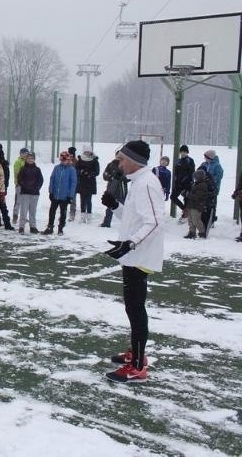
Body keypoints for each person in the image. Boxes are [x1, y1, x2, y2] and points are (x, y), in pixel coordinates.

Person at [101, 140, 165, 383]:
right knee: (133, 307)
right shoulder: (138, 183)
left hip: (140, 256)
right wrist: (115, 205)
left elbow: (155, 222)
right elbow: (134, 217)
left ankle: (138, 367)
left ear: (134, 161)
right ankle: (136, 354)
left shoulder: (147, 183)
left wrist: (131, 243)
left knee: (135, 308)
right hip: (135, 254)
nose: (118, 163)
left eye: (121, 159)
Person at [42, 152, 77, 235]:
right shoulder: (56, 168)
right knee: (52, 211)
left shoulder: (71, 170)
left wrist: (70, 196)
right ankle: (50, 227)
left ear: (69, 160)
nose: (64, 162)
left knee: (63, 212)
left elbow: (73, 183)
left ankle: (60, 228)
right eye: (62, 160)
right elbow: (52, 179)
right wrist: (51, 191)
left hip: (65, 196)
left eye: (66, 160)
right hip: (55, 195)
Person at [16, 152, 43, 234]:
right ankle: (21, 226)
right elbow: (19, 179)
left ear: (34, 159)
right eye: (29, 158)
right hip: (25, 193)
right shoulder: (23, 169)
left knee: (33, 211)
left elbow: (40, 180)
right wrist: (25, 186)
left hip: (34, 194)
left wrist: (36, 187)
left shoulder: (37, 170)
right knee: (23, 211)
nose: (30, 160)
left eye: (32, 158)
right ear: (26, 159)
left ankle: (33, 226)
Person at [100, 152, 127, 228]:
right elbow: (105, 175)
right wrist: (111, 177)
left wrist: (121, 177)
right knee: (109, 207)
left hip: (121, 190)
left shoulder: (125, 165)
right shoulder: (111, 164)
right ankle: (106, 223)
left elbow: (128, 178)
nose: (119, 158)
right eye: (118, 156)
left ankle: (126, 224)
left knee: (123, 208)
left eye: (121, 156)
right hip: (111, 189)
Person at [198, 150, 223, 231]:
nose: (205, 158)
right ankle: (204, 218)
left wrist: (209, 181)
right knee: (204, 204)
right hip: (203, 188)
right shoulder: (203, 164)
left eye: (206, 157)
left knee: (212, 205)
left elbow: (218, 177)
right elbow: (198, 172)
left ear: (210, 157)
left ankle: (211, 220)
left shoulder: (217, 166)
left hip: (213, 188)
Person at [74, 148, 100, 223]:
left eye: (88, 151)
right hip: (82, 182)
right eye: (86, 151)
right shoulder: (80, 159)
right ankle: (82, 216)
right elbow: (76, 169)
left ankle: (89, 216)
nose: (87, 153)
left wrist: (90, 173)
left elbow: (97, 171)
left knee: (88, 199)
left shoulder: (94, 160)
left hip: (90, 182)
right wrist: (81, 172)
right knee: (82, 199)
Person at [0, 143, 14, 230]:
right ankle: (2, 223)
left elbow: (6, 176)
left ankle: (2, 223)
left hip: (0, 187)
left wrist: (5, 187)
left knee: (1, 205)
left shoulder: (2, 163)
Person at [171, 145, 195, 220]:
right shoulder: (179, 161)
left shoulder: (190, 160)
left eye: (185, 152)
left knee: (186, 199)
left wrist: (185, 180)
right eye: (182, 152)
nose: (183, 153)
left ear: (187, 152)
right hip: (178, 183)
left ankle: (185, 215)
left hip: (187, 183)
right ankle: (185, 210)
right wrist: (176, 180)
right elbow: (176, 172)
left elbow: (192, 172)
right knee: (173, 197)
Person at [183, 169, 208, 239]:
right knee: (190, 220)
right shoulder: (196, 184)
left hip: (197, 206)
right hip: (191, 205)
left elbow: (198, 197)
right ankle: (192, 232)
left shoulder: (202, 185)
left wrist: (188, 195)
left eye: (196, 177)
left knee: (196, 220)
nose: (194, 179)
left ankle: (202, 232)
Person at [11, 147, 29, 224]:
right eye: (23, 153)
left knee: (26, 201)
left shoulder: (28, 161)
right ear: (20, 154)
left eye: (26, 153)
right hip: (19, 184)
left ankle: (24, 216)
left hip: (28, 185)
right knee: (18, 201)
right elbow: (17, 173)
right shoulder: (18, 162)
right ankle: (15, 216)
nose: (25, 155)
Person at [67, 146, 78, 221]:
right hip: (65, 182)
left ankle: (72, 214)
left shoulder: (76, 162)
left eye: (72, 154)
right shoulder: (66, 160)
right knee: (63, 199)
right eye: (69, 154)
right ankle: (63, 213)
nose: (71, 156)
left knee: (73, 199)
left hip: (73, 183)